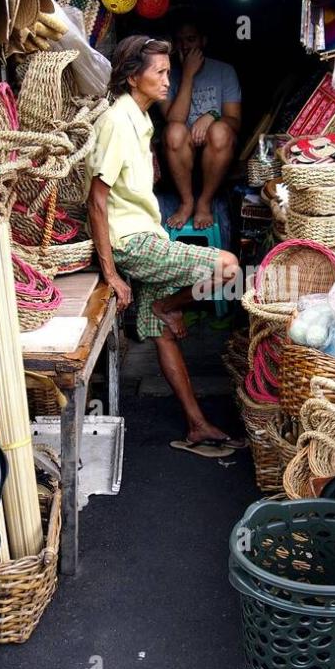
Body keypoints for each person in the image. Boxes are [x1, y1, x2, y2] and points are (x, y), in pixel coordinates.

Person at [87, 35, 246, 459]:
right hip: (131, 244)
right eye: (159, 72)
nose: (166, 79)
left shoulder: (140, 119)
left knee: (163, 338)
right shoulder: (118, 121)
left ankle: (196, 425)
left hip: (148, 234)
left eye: (168, 72)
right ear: (133, 76)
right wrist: (112, 273)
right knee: (228, 267)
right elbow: (96, 200)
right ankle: (166, 305)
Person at [160, 13, 242, 230]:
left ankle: (204, 202)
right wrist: (188, 75)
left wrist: (211, 116)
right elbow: (174, 120)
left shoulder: (224, 71)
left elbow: (235, 121)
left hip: (214, 146)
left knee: (221, 131)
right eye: (180, 41)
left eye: (191, 39)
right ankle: (187, 201)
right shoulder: (166, 74)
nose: (185, 46)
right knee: (174, 131)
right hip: (181, 148)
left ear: (203, 41)